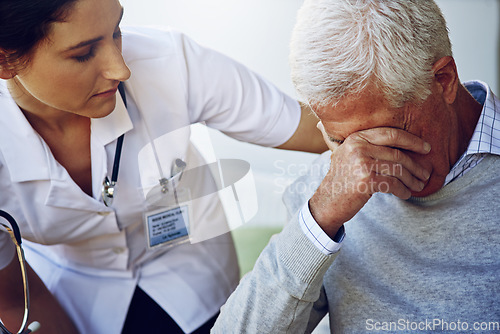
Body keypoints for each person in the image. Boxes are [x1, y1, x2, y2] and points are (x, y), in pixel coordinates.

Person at [0, 0, 328, 333]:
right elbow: (12, 301)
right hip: (73, 292)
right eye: (83, 54)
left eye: (116, 32)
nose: (121, 69)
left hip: (191, 275)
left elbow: (313, 130)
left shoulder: (168, 61)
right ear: (4, 60)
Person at [213, 0, 500, 332]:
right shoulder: (331, 187)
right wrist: (320, 217)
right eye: (340, 142)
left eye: (384, 136)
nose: (364, 162)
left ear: (443, 80)